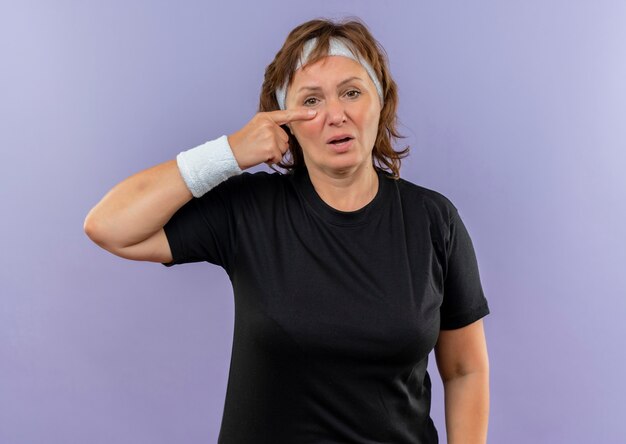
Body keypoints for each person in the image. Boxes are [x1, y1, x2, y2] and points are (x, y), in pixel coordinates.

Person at [84, 16, 490, 444]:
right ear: (285, 121)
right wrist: (229, 153)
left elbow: (465, 369)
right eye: (311, 101)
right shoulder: (249, 209)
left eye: (352, 92)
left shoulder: (433, 221)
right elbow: (109, 225)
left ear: (381, 101)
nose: (335, 115)